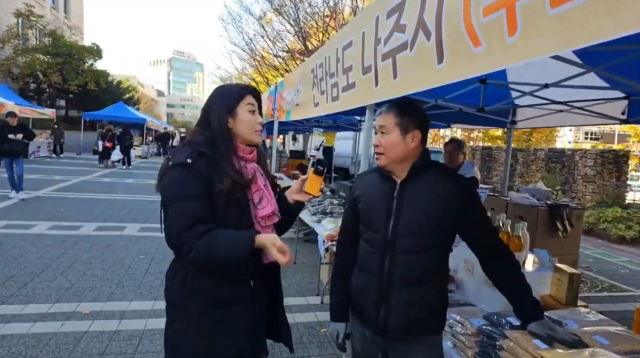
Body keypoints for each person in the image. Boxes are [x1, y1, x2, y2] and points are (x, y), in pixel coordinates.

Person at [328, 98, 586, 358]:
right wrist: (338, 312)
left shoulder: (451, 190)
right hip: (363, 326)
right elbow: (347, 253)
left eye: (383, 132)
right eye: (375, 133)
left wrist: (530, 314)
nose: (375, 141)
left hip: (420, 332)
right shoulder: (363, 186)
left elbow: (492, 252)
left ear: (413, 138)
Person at [156, 83, 314, 358]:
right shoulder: (191, 164)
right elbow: (188, 239)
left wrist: (290, 201)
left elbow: (266, 228)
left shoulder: (252, 164)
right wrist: (253, 241)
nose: (260, 120)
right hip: (204, 308)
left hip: (247, 302)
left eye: (260, 112)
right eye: (251, 111)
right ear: (227, 118)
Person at [0, 111, 36, 200]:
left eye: (14, 118)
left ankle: (20, 190)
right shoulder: (2, 127)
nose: (12, 120)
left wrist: (23, 135)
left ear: (17, 118)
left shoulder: (22, 126)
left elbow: (32, 136)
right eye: (10, 118)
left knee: (19, 173)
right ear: (7, 119)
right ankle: (13, 189)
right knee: (9, 173)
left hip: (18, 153)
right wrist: (8, 137)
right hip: (6, 153)